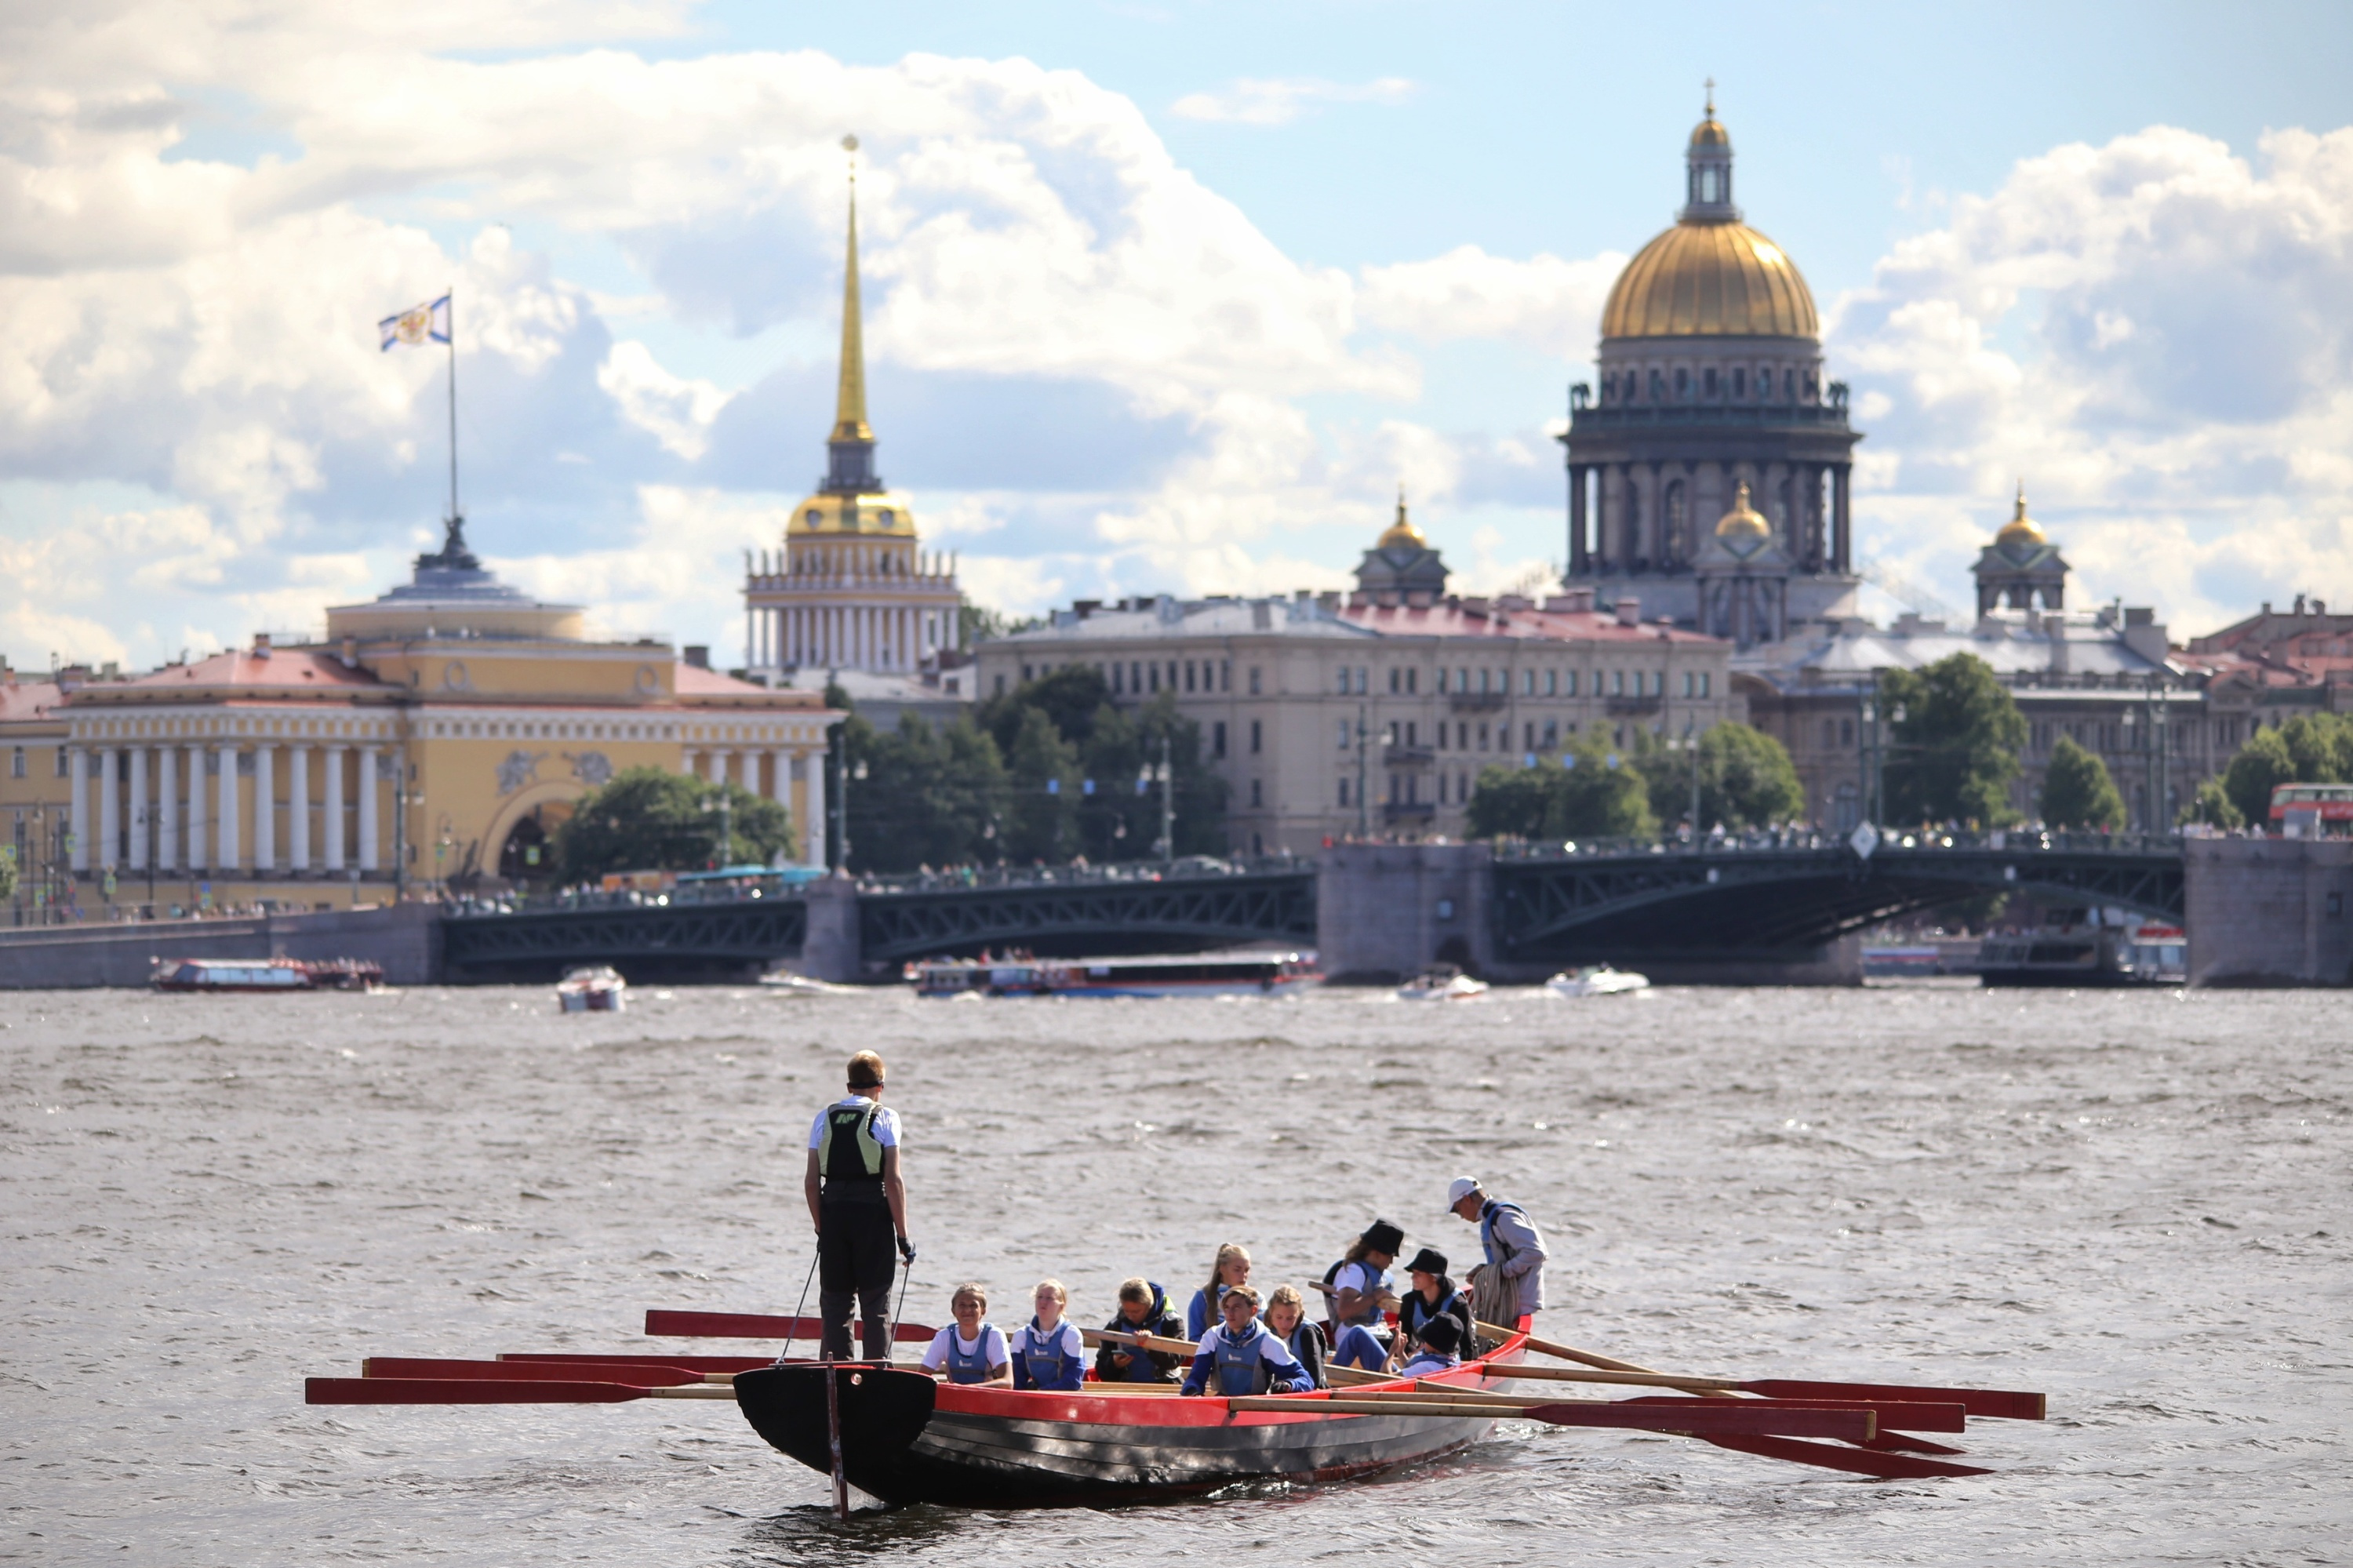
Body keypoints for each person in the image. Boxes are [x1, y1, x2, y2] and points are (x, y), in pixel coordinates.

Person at [803, 1050, 912, 1362]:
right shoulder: (886, 1117)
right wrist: (902, 1237)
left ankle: (835, 1375)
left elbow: (811, 1182)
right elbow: (893, 1180)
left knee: (836, 1303)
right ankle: (877, 1375)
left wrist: (822, 1229)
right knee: (876, 1302)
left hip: (833, 1212)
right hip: (872, 1214)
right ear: (881, 1086)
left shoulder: (824, 1118)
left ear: (849, 1086)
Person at [1446, 1177, 1547, 1327]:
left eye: (1457, 1209)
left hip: (1519, 1300)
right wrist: (1485, 1270)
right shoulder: (1490, 1217)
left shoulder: (1504, 1217)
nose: (1460, 1216)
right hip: (1508, 1300)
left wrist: (1501, 1272)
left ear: (1467, 1200)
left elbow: (1536, 1252)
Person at [1180, 1285, 1315, 1396]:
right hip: (1223, 1401)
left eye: (1236, 1308)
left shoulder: (1267, 1341)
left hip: (1255, 1406)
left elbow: (1306, 1380)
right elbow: (1196, 1377)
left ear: (1253, 1310)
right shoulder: (1213, 1336)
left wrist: (1290, 1385)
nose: (1230, 1313)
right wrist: (1192, 1391)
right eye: (1226, 1308)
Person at [1321, 1220, 1403, 1370]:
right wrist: (1375, 1296)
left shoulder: (1383, 1274)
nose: (1391, 1261)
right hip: (1352, 1335)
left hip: (1377, 1331)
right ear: (1376, 1252)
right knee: (1361, 1334)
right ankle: (1400, 1377)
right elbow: (1344, 1311)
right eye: (1390, 1255)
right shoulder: (1354, 1271)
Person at [1395, 1246, 1476, 1366]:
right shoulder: (1409, 1300)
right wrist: (1412, 1354)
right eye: (1413, 1273)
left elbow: (1467, 1350)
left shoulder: (1457, 1305)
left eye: (1419, 1273)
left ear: (1434, 1277)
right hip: (1420, 1358)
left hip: (1448, 1362)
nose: (1413, 1277)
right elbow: (1403, 1338)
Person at [1095, 1277, 1185, 1384]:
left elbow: (1174, 1361)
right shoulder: (1116, 1325)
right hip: (1128, 1386)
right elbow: (1101, 1369)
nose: (1130, 1316)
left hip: (1166, 1383)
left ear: (1149, 1306)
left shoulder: (1171, 1322)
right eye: (1126, 1311)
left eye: (1136, 1312)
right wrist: (1114, 1364)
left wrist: (1152, 1345)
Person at [919, 1282, 1011, 1386]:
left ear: (983, 1311)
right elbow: (919, 1380)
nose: (967, 1310)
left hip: (987, 1399)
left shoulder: (994, 1335)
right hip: (954, 1398)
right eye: (962, 1305)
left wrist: (967, 1389)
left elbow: (1007, 1383)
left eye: (973, 1305)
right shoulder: (944, 1337)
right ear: (953, 1311)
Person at [1007, 1279, 1086, 1392]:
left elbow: (1073, 1381)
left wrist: (1040, 1392)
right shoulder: (1021, 1335)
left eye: (1049, 1298)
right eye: (1039, 1297)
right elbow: (1018, 1380)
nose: (1043, 1302)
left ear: (1061, 1306)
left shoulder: (1071, 1334)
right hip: (1036, 1397)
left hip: (1065, 1397)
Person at [1263, 1285, 1327, 1390]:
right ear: (1271, 1313)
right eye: (1279, 1317)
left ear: (1299, 1315)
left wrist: (1289, 1386)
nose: (1284, 1324)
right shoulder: (1265, 1330)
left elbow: (1314, 1378)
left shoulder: (1307, 1333)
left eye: (1290, 1318)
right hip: (1276, 1388)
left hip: (1307, 1388)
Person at [1185, 1242, 1253, 1341]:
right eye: (1237, 1270)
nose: (1243, 1275)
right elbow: (1194, 1337)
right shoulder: (1203, 1297)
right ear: (1223, 1269)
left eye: (1247, 1270)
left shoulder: (1256, 1299)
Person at [1395, 1313, 1464, 1378]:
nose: (1424, 1342)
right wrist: (1400, 1353)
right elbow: (1412, 1368)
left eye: (1426, 1339)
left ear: (1436, 1346)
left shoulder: (1427, 1367)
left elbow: (1389, 1379)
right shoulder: (1454, 1358)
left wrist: (1392, 1351)